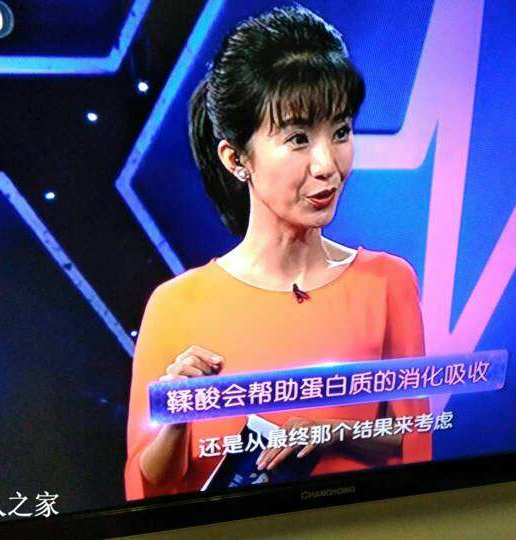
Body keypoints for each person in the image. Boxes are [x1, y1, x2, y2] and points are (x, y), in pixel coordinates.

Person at [125, 5, 431, 501]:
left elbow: (417, 442)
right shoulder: (175, 304)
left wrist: (334, 432)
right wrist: (176, 417)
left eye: (341, 132)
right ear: (236, 158)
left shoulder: (388, 282)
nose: (327, 164)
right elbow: (146, 486)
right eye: (298, 138)